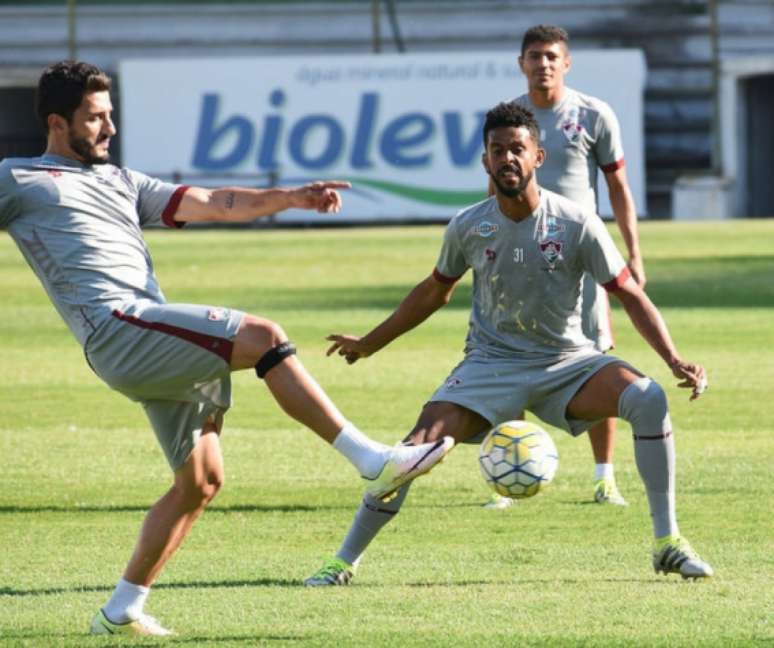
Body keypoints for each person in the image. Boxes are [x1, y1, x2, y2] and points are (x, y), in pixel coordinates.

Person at [0, 61, 453, 637]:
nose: (109, 128)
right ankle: (372, 461)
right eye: (95, 118)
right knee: (264, 336)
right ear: (57, 123)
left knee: (201, 482)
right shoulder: (19, 178)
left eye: (110, 114)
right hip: (119, 329)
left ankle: (120, 612)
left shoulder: (121, 181)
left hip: (147, 334)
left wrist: (291, 197)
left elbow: (215, 201)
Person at [303, 101, 713, 587]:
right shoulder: (469, 225)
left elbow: (626, 290)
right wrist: (371, 343)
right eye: (497, 150)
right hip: (489, 366)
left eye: (517, 149)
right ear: (485, 161)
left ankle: (667, 543)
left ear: (538, 156)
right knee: (411, 452)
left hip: (568, 362)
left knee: (649, 399)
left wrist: (672, 358)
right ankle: (343, 562)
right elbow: (435, 290)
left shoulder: (576, 223)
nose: (507, 159)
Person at [489, 25, 647, 508]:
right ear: (521, 63)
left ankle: (604, 477)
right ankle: (505, 476)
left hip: (578, 255)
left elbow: (617, 186)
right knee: (507, 353)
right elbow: (496, 186)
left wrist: (632, 252)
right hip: (519, 253)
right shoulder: (510, 119)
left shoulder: (593, 115)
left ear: (567, 63)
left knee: (596, 357)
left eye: (552, 56)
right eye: (534, 56)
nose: (543, 64)